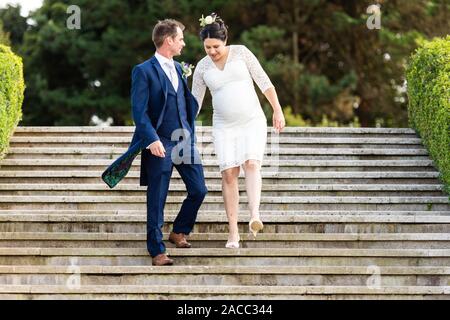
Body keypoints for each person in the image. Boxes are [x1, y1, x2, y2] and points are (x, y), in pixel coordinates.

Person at [192, 13, 285, 249]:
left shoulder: (241, 52)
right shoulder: (202, 67)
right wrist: (185, 125)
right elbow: (195, 101)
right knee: (229, 174)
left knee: (252, 163)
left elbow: (264, 81)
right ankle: (233, 231)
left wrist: (277, 110)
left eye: (216, 46)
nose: (212, 51)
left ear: (225, 40)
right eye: (207, 47)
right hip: (223, 125)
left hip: (252, 120)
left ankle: (254, 214)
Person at [131, 19, 207, 265]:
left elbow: (184, 103)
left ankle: (179, 230)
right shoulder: (143, 71)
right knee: (157, 196)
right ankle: (157, 250)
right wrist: (151, 139)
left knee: (199, 189)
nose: (184, 43)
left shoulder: (179, 68)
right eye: (181, 39)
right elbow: (139, 112)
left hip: (184, 139)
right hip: (160, 142)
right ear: (168, 41)